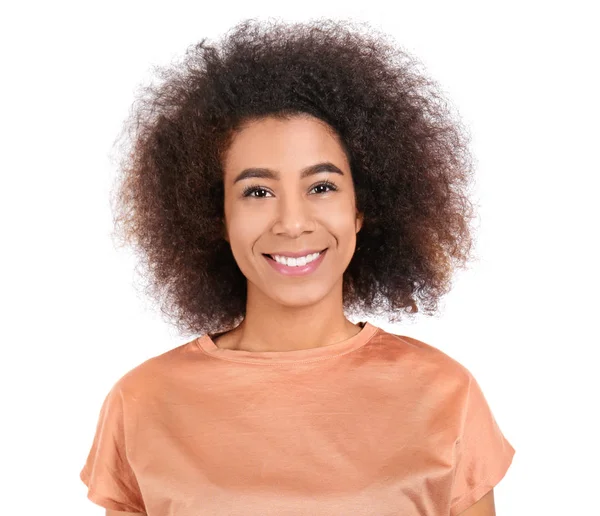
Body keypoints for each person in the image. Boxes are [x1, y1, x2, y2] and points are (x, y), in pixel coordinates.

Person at [80, 18, 515, 516]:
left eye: (322, 187)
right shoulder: (143, 402)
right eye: (257, 192)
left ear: (361, 207)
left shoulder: (444, 394)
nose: (291, 222)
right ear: (216, 216)